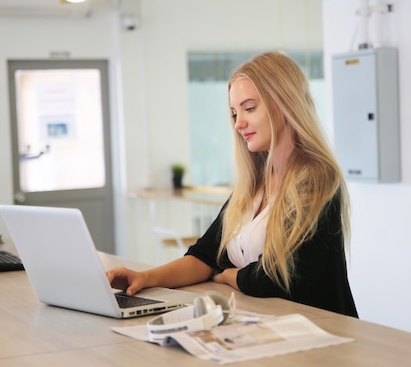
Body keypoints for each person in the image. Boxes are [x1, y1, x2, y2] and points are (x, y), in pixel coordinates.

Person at [107, 52, 358, 317]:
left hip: (320, 334)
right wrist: (144, 278)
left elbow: (276, 277)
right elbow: (204, 257)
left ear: (285, 104)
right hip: (267, 326)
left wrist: (230, 276)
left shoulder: (317, 178)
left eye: (249, 108)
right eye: (234, 113)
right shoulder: (254, 185)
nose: (239, 123)